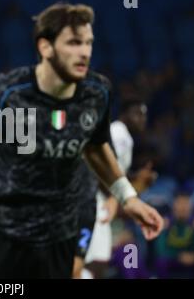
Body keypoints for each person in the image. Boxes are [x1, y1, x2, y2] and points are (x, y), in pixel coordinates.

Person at [0, 2, 163, 278]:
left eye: (88, 43)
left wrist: (128, 197)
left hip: (57, 235)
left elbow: (96, 146)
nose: (84, 52)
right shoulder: (6, 95)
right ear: (45, 47)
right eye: (74, 43)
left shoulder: (96, 94)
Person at [74, 99, 157, 278]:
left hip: (96, 202)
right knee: (95, 263)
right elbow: (100, 170)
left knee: (91, 263)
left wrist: (137, 178)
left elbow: (115, 173)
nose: (142, 119)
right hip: (96, 204)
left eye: (144, 115)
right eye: (137, 114)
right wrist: (113, 198)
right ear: (124, 115)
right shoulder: (120, 134)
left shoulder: (121, 135)